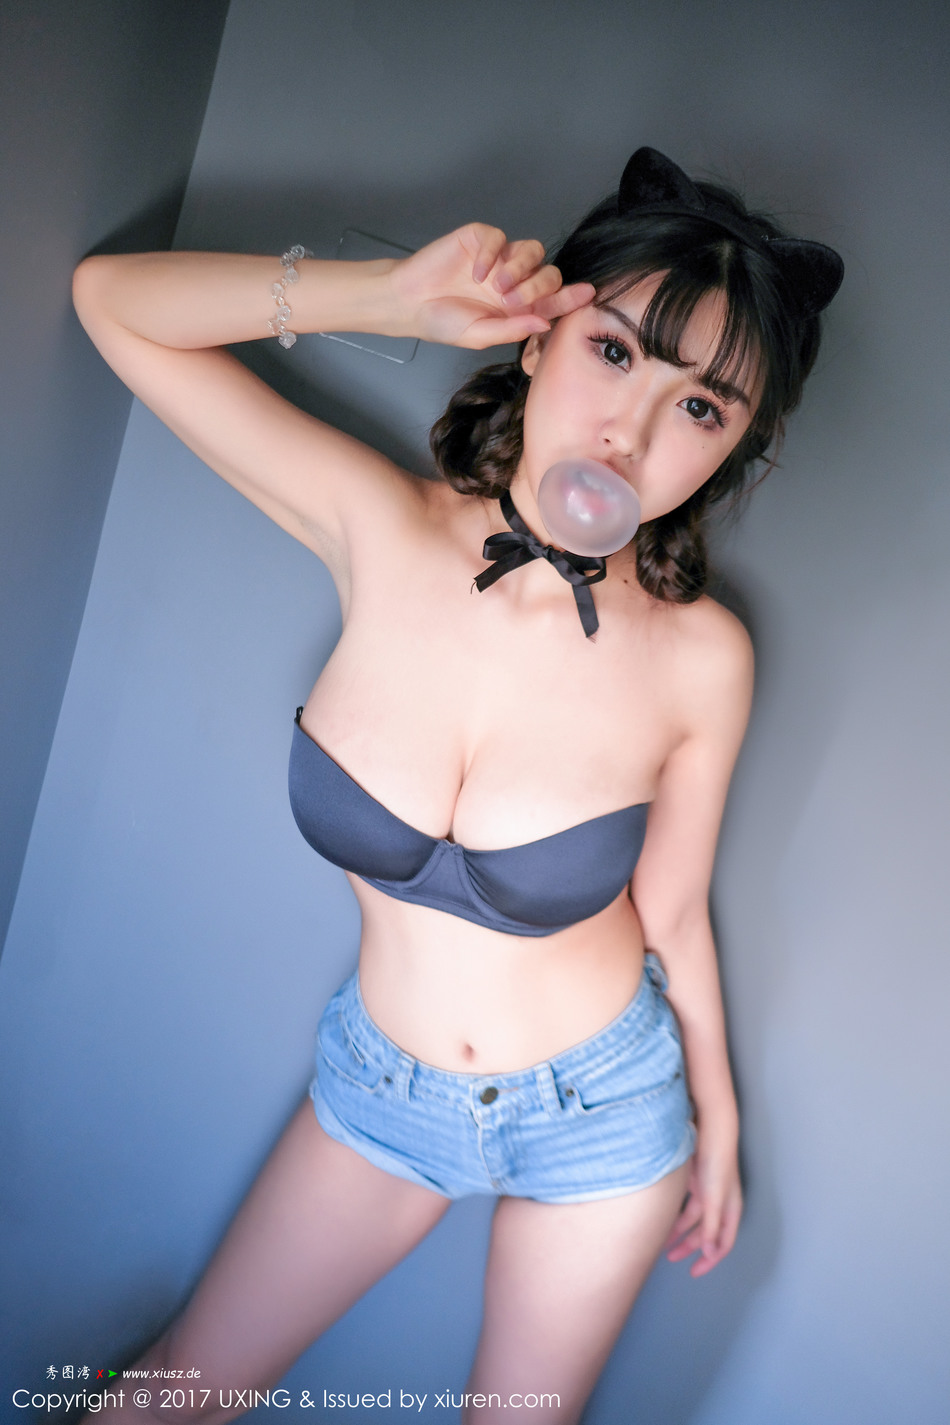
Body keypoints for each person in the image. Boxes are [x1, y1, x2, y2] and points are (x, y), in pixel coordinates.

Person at [72, 147, 842, 1424]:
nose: (632, 430)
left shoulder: (702, 658)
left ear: (729, 452)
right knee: (164, 1398)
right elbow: (113, 305)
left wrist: (717, 1122)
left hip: (599, 1116)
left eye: (701, 410)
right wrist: (388, 299)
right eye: (612, 352)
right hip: (380, 1090)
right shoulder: (379, 528)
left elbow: (671, 910)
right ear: (537, 339)